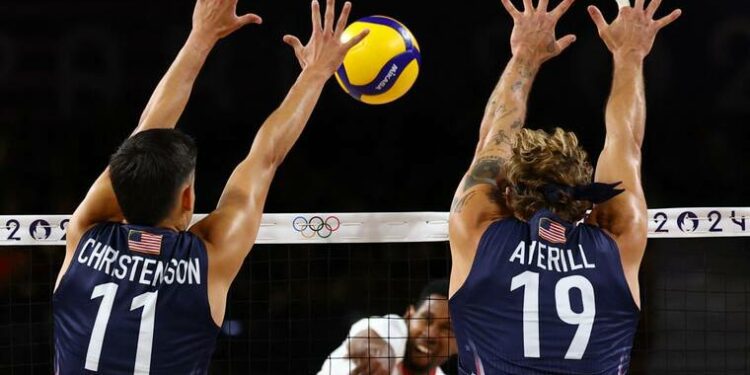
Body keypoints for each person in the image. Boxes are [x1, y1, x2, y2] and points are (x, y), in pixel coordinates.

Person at [52, 0, 368, 373]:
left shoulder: (85, 235)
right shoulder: (209, 259)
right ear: (188, 198)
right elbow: (263, 159)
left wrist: (200, 37)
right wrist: (315, 74)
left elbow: (146, 133)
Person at [447, 0, 680, 373]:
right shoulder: (617, 239)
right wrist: (630, 54)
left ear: (507, 195)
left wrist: (524, 56)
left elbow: (492, 137)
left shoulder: (477, 230)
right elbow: (626, 143)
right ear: (584, 197)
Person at [319, 279, 457, 375]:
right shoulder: (391, 328)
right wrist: (380, 354)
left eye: (447, 328)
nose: (430, 334)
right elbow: (366, 340)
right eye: (426, 319)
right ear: (409, 316)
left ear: (460, 345)